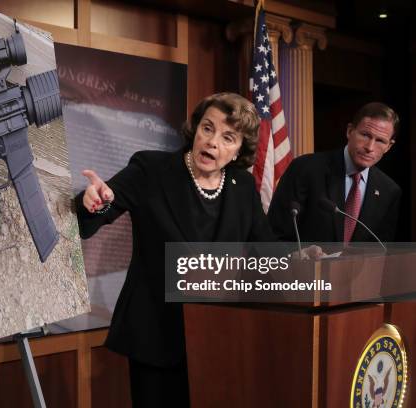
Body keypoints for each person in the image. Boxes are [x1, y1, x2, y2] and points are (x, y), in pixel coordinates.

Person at [75, 93, 276, 407]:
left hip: (218, 338)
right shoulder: (151, 169)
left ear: (239, 150)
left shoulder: (242, 189)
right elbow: (102, 207)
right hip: (156, 334)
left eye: (227, 137)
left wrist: (303, 261)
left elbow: (266, 252)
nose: (212, 142)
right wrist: (94, 203)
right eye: (207, 128)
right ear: (195, 129)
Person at [267, 102, 401, 243]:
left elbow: (383, 252)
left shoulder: (389, 191)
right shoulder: (305, 169)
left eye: (380, 140)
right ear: (350, 131)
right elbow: (274, 235)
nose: (370, 147)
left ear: (389, 146)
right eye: (365, 135)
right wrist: (297, 256)